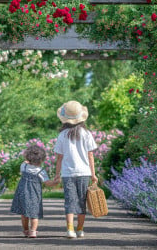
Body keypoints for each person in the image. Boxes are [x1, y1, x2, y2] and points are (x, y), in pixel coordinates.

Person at [53, 100, 98, 239]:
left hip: (68, 173)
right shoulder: (86, 134)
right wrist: (93, 175)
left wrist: (56, 175)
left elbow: (59, 157)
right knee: (81, 202)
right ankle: (80, 229)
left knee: (69, 201)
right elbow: (90, 155)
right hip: (84, 173)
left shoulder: (62, 135)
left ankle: (70, 229)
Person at [10, 145, 59, 238]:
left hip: (22, 193)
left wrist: (27, 160)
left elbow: (24, 162)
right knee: (34, 213)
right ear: (41, 159)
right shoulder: (40, 171)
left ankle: (25, 230)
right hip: (34, 194)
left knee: (24, 214)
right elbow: (48, 183)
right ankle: (33, 231)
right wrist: (55, 182)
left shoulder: (23, 166)